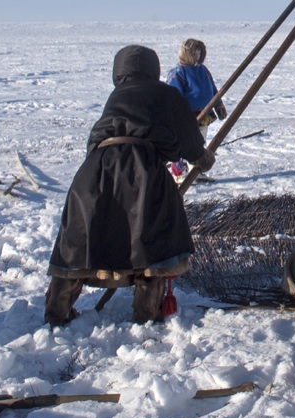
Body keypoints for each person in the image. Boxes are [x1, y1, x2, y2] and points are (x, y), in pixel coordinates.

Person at [45, 45, 215, 327]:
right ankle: (147, 312)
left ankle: (56, 310)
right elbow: (190, 141)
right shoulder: (167, 94)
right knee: (153, 237)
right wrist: (202, 158)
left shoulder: (117, 96)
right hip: (143, 170)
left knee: (80, 237)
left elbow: (94, 139)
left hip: (95, 170)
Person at [165, 38, 227, 180]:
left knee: (199, 142)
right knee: (182, 143)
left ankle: (196, 171)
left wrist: (218, 105)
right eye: (195, 52)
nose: (198, 55)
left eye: (199, 52)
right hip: (185, 116)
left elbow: (212, 89)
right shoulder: (178, 72)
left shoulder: (203, 70)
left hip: (204, 113)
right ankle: (179, 173)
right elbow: (173, 96)